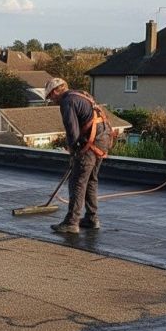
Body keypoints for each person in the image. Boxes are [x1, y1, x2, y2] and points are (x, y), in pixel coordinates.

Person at [44, 77, 114, 234]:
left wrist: (73, 151)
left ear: (56, 91)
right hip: (102, 140)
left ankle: (72, 222)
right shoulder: (80, 95)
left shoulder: (67, 101)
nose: (51, 100)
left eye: (50, 97)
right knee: (90, 180)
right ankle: (91, 218)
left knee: (77, 182)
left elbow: (72, 130)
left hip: (91, 142)